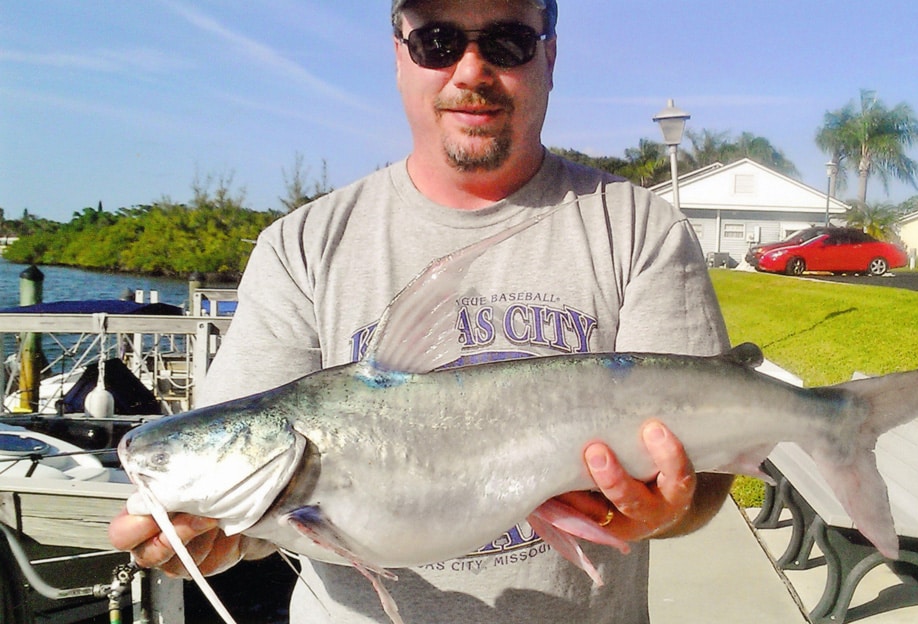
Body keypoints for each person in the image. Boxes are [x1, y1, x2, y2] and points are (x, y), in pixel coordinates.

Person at [109, 0, 733, 622]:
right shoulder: (301, 245)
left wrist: (671, 508)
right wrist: (215, 535)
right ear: (398, 55)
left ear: (549, 54)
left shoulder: (640, 228)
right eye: (436, 42)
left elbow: (707, 480)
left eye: (507, 42)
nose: (470, 71)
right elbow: (253, 510)